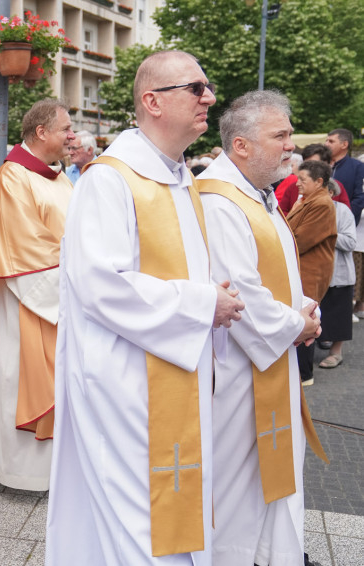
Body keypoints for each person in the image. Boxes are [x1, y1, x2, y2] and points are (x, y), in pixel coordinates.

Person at [47, 50, 244, 566]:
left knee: (164, 518)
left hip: (171, 367)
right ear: (153, 102)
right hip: (126, 381)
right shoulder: (110, 178)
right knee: (143, 525)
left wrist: (211, 293)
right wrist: (203, 302)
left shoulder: (180, 176)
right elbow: (99, 284)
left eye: (207, 86)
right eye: (195, 88)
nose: (210, 98)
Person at [197, 90, 328, 566]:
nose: (291, 146)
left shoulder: (255, 194)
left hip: (268, 355)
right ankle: (236, 556)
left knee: (270, 463)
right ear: (242, 145)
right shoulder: (219, 200)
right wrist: (295, 325)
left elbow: (275, 271)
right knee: (240, 473)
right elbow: (241, 293)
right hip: (237, 366)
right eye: (281, 136)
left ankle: (275, 552)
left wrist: (304, 308)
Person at [0, 100, 74, 493]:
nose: (71, 136)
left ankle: (52, 468)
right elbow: (27, 245)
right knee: (10, 380)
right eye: (65, 129)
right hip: (22, 295)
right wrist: (77, 271)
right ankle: (4, 466)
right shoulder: (13, 177)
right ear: (41, 132)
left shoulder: (59, 178)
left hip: (56, 291)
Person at [288, 159, 338, 386]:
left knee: (305, 315)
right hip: (303, 268)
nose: (297, 183)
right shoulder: (309, 200)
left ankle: (304, 374)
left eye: (302, 179)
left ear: (318, 182)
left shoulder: (321, 204)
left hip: (310, 271)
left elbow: (299, 240)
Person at [318, 178, 357, 368]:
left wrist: (327, 232)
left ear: (331, 193)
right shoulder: (307, 209)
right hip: (314, 272)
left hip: (338, 271)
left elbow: (350, 242)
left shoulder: (343, 211)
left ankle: (336, 352)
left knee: (338, 313)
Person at [278, 144, 349, 215]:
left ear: (326, 164)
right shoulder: (294, 187)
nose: (309, 168)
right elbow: (282, 212)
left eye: (314, 164)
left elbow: (345, 215)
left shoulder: (336, 187)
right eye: (306, 164)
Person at [326, 128, 364, 224]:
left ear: (344, 144)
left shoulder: (358, 167)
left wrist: (345, 217)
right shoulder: (321, 165)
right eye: (326, 141)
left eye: (331, 141)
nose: (326, 144)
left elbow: (360, 197)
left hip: (344, 223)